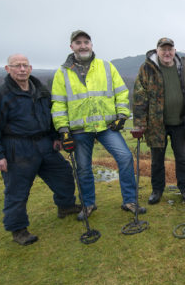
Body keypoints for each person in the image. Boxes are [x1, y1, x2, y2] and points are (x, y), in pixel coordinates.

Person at [0, 54, 80, 245]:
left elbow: (50, 117)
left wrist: (55, 137)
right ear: (8, 69)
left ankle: (66, 206)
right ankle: (18, 230)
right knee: (17, 190)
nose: (22, 69)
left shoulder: (41, 91)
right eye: (17, 66)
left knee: (64, 174)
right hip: (17, 148)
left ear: (30, 68)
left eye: (25, 65)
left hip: (44, 144)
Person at [51, 30, 144, 221]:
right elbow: (58, 104)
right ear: (72, 47)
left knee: (125, 157)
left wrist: (122, 115)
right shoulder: (62, 73)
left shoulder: (106, 66)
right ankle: (88, 204)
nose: (83, 45)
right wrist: (64, 130)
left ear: (91, 45)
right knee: (83, 168)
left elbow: (121, 92)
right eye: (78, 42)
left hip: (106, 127)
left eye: (86, 42)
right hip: (79, 130)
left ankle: (129, 201)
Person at [132, 37, 185, 204]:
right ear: (157, 51)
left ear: (174, 50)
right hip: (156, 124)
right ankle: (157, 190)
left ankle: (184, 188)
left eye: (170, 49)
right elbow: (139, 96)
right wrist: (140, 122)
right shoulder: (147, 68)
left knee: (182, 158)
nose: (167, 53)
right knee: (157, 160)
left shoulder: (184, 66)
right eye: (163, 50)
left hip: (181, 122)